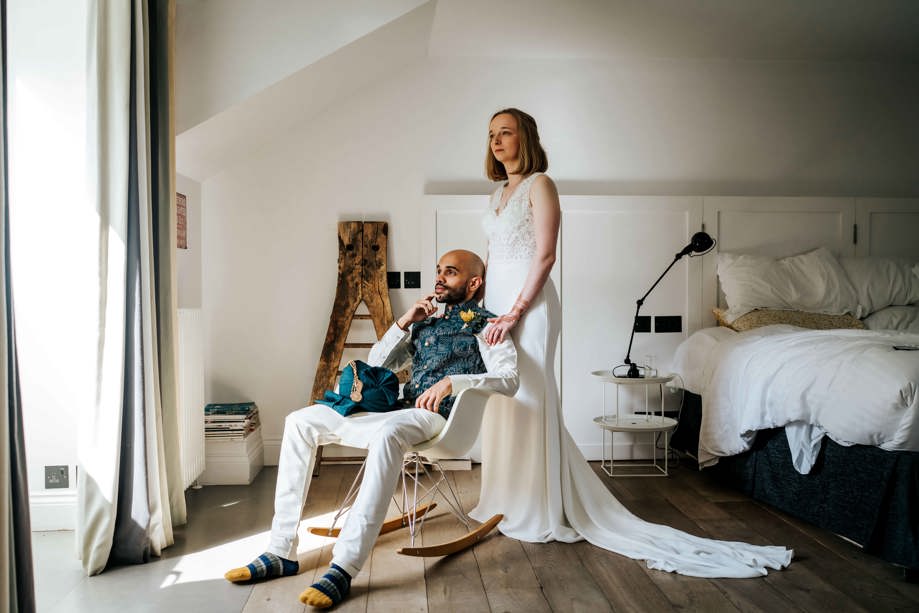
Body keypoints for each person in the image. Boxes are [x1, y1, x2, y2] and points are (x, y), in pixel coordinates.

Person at [469, 107, 793, 578]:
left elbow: (545, 255)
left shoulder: (542, 184)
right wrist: (480, 305)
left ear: (526, 138)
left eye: (506, 133)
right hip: (494, 305)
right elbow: (492, 255)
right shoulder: (497, 193)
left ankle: (537, 505)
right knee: (503, 396)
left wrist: (517, 310)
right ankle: (503, 497)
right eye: (492, 134)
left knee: (532, 395)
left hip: (530, 306)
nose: (497, 141)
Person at [225, 249, 518, 608]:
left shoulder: (488, 325)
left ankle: (344, 566)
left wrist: (453, 383)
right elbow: (376, 362)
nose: (439, 277)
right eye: (438, 270)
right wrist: (406, 320)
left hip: (438, 418)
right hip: (396, 407)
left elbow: (509, 379)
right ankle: (280, 550)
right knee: (299, 422)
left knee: (388, 434)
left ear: (474, 283)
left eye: (451, 273)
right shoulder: (424, 322)